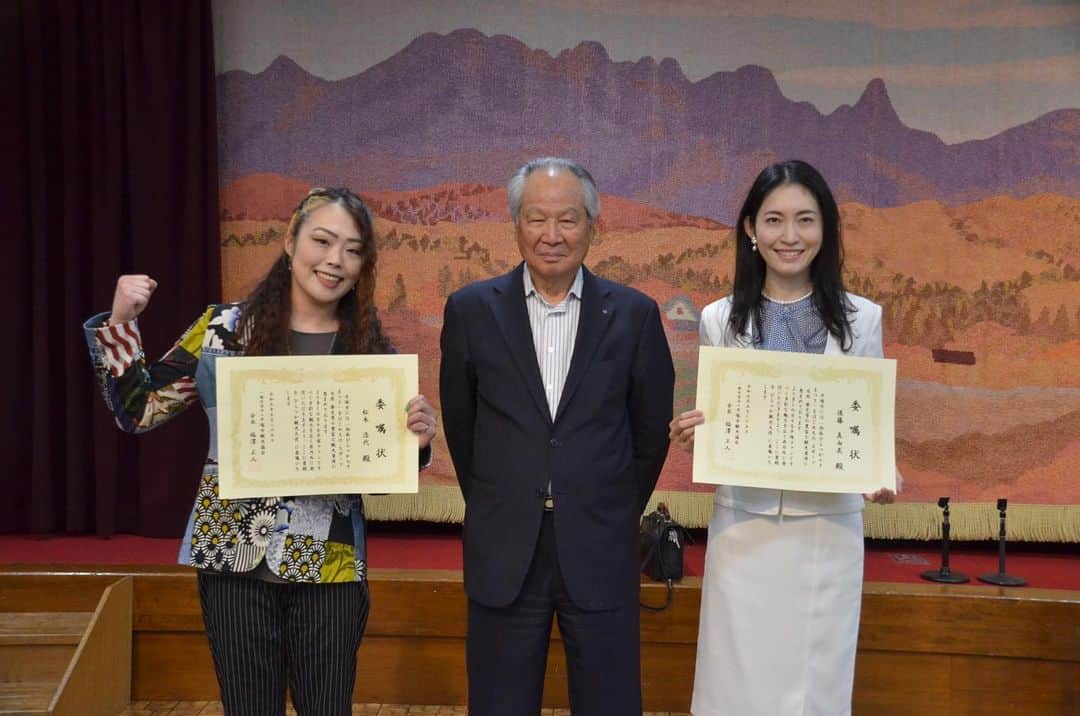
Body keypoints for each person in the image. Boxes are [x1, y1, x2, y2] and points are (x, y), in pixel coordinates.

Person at [83, 187, 437, 716]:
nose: (335, 260)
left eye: (353, 249)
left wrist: (417, 441)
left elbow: (381, 472)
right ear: (291, 244)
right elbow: (139, 410)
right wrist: (119, 323)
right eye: (322, 240)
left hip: (330, 562)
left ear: (364, 265)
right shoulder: (224, 331)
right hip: (231, 554)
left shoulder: (367, 348)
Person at [439, 157, 675, 715]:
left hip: (599, 543)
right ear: (515, 224)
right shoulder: (471, 311)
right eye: (536, 219)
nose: (552, 236)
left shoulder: (635, 315)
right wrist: (504, 501)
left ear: (593, 226)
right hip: (505, 548)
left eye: (568, 220)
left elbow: (649, 433)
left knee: (609, 702)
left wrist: (610, 505)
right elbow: (462, 425)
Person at [669, 160, 901, 716]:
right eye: (774, 220)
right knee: (735, 684)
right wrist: (693, 430)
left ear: (826, 230)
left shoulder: (863, 319)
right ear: (750, 229)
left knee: (813, 688)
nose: (790, 237)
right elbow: (720, 417)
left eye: (805, 220)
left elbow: (868, 425)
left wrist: (880, 470)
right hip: (744, 529)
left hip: (827, 532)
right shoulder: (718, 319)